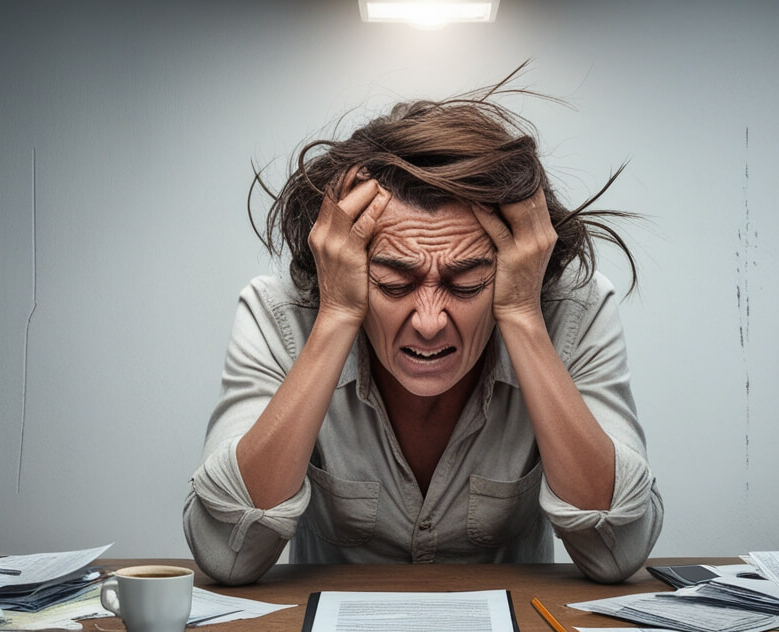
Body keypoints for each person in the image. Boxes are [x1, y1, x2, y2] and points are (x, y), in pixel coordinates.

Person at [183, 69, 663, 585]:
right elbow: (225, 554)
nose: (430, 322)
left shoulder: (571, 311)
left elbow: (619, 551)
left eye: (468, 282)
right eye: (393, 283)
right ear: (344, 264)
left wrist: (522, 315)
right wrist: (339, 316)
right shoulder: (278, 313)